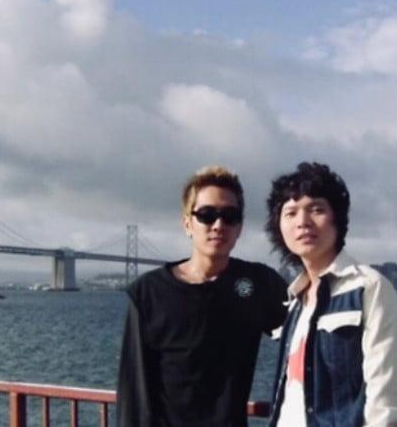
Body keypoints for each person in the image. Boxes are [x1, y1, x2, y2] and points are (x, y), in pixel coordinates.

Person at [116, 165, 288, 427]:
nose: (218, 225)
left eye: (229, 216)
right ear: (187, 224)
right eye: (206, 215)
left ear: (239, 227)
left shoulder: (260, 284)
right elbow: (134, 392)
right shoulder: (149, 293)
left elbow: (305, 333)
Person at [264, 162, 397, 427]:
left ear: (337, 219)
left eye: (316, 209)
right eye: (290, 213)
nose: (302, 222)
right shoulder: (295, 300)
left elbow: (385, 398)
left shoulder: (368, 288)